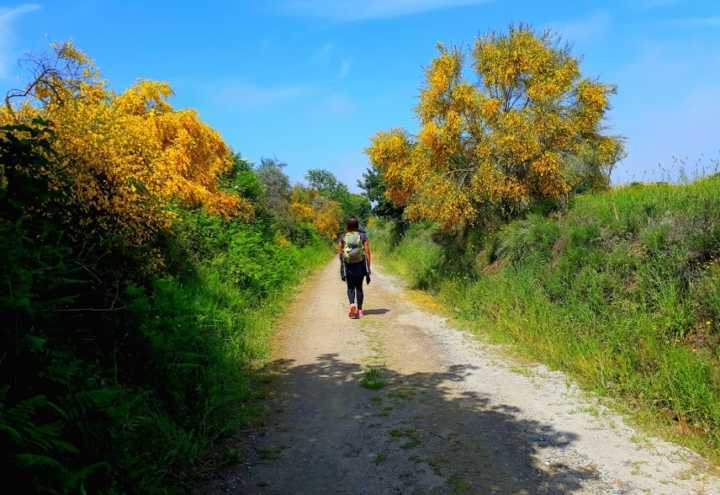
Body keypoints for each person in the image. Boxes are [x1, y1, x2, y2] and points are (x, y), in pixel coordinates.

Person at [339, 216, 372, 319]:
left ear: (348, 225)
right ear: (357, 225)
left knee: (350, 287)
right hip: (360, 265)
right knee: (359, 287)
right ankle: (360, 310)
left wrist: (343, 264)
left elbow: (340, 252)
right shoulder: (363, 236)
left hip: (349, 265)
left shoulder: (344, 236)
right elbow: (367, 252)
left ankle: (352, 304)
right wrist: (368, 267)